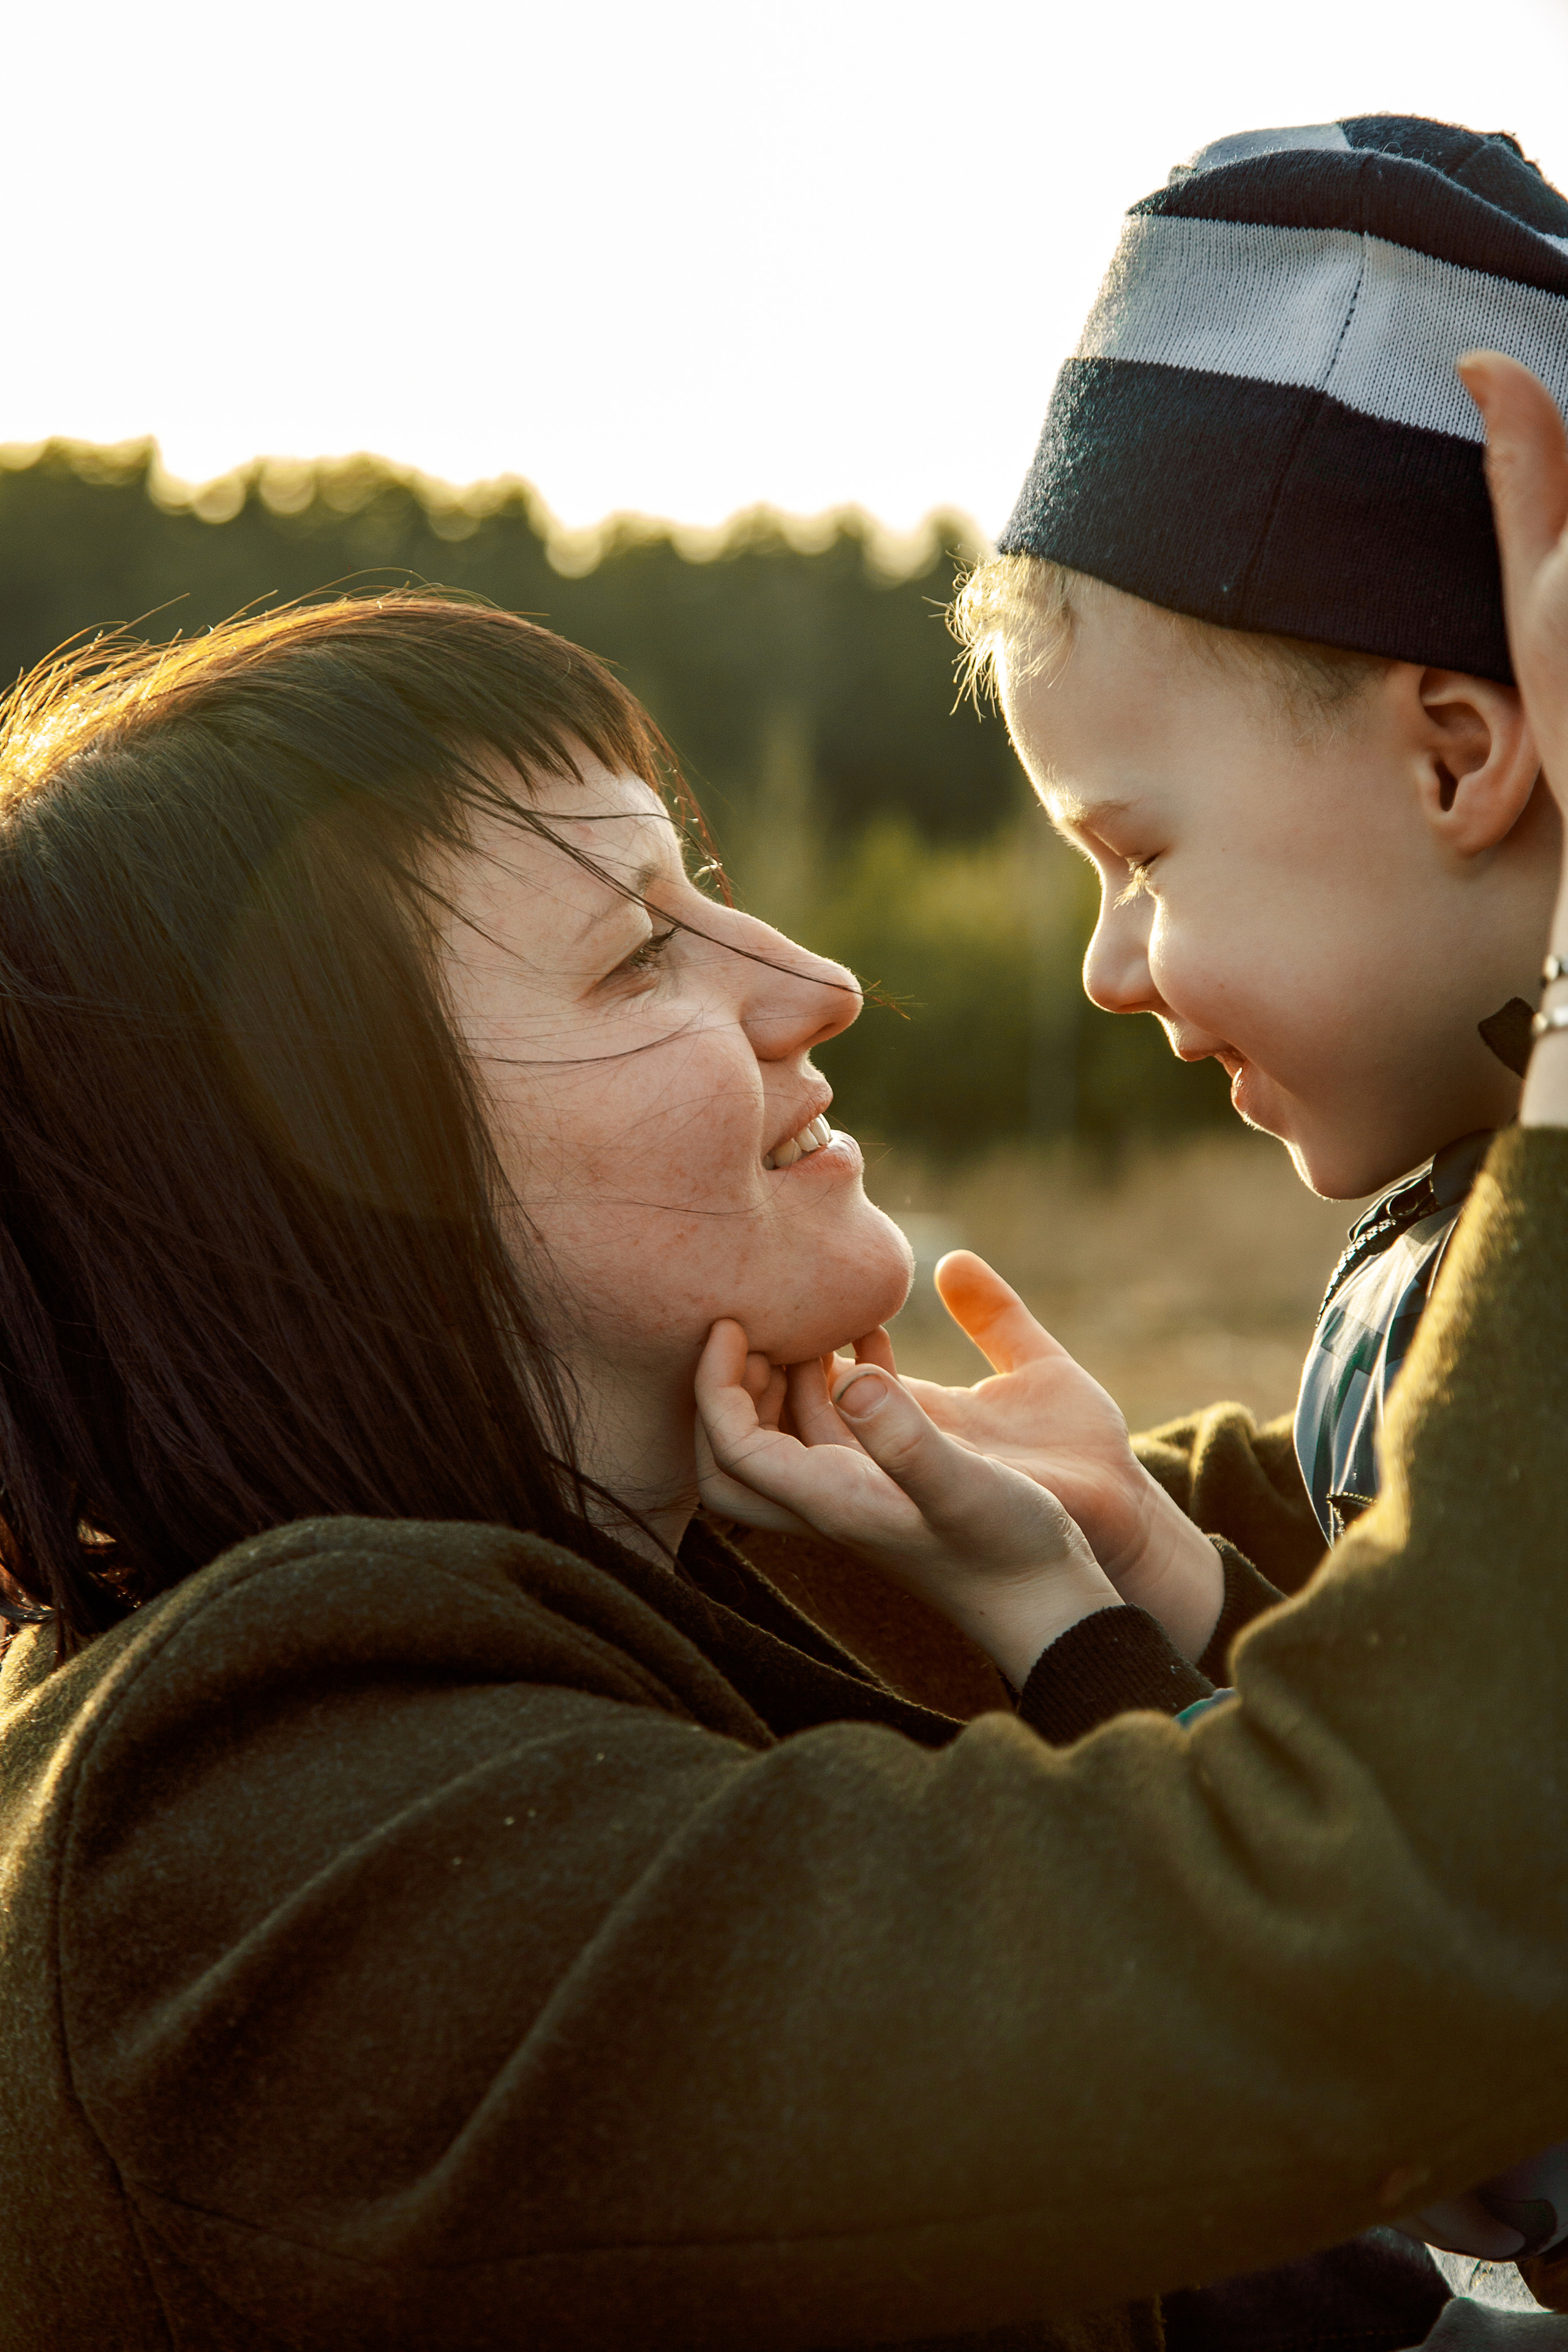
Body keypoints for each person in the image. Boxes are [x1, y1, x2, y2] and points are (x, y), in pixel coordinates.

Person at [4, 375, 1568, 2351]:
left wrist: (1124, 1550)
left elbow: (1385, 1527)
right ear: (324, 1182)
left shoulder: (688, 1564)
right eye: (639, 953)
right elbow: (1413, 1923)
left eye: (706, 889)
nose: (813, 986)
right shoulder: (256, 1876)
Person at [939, 117, 1568, 2304]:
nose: (1111, 968)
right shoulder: (1451, 1237)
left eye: (1143, 854)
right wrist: (1195, 1594)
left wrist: (1109, 1657)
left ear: (1458, 752)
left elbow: (1453, 2000)